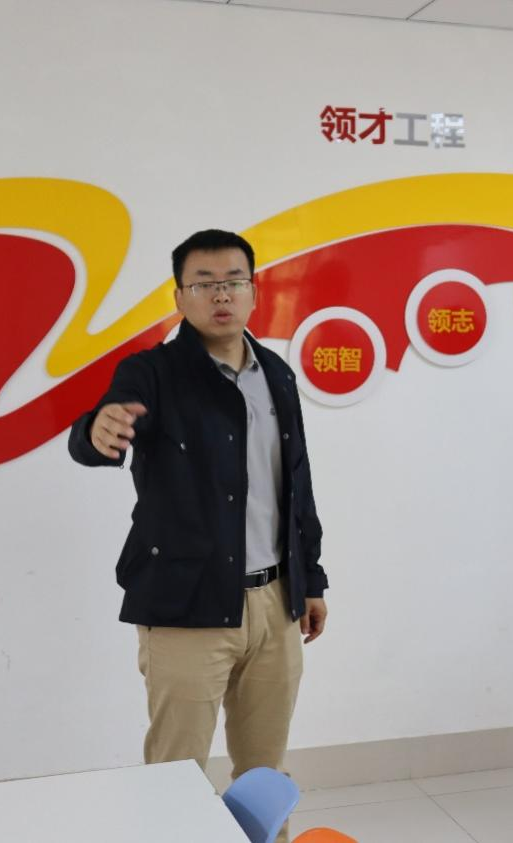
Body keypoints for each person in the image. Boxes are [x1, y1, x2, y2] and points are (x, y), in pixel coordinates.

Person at [68, 230, 328, 817]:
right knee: (175, 778)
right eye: (204, 284)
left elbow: (298, 485)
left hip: (276, 602)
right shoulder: (152, 372)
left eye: (234, 281)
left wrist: (310, 580)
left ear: (254, 292)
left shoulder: (277, 375)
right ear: (180, 297)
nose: (221, 295)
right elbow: (98, 433)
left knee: (265, 777)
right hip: (186, 606)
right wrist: (96, 430)